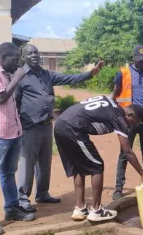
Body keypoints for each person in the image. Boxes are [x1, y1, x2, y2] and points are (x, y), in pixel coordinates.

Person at [15, 45, 104, 213]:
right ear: (24, 57)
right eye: (30, 53)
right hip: (29, 127)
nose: (34, 55)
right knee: (27, 164)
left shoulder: (47, 74)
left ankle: (42, 194)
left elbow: (68, 78)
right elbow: (16, 102)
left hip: (47, 125)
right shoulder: (20, 76)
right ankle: (22, 199)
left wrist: (90, 73)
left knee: (44, 162)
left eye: (36, 52)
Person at [54, 95, 143, 222]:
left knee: (79, 166)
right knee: (97, 166)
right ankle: (96, 210)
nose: (131, 127)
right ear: (130, 115)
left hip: (60, 124)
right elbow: (127, 151)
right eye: (133, 124)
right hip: (72, 128)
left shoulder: (111, 102)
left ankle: (80, 208)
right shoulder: (120, 117)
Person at [0, 43, 35, 235]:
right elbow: (0, 98)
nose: (17, 64)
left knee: (9, 173)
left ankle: (12, 209)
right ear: (3, 56)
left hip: (13, 131)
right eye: (15, 60)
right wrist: (17, 78)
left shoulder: (7, 72)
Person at [111, 45, 143, 200]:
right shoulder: (123, 73)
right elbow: (114, 96)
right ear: (133, 58)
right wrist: (118, 116)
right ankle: (118, 188)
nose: (142, 63)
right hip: (128, 122)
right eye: (139, 61)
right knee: (124, 154)